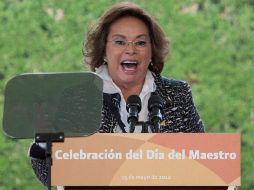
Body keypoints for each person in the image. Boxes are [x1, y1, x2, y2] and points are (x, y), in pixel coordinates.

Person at [29, 2, 205, 189]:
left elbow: (205, 161)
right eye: (120, 41)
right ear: (104, 50)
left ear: (151, 51)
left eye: (140, 42)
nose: (131, 49)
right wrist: (43, 145)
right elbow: (48, 171)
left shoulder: (178, 94)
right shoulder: (78, 97)